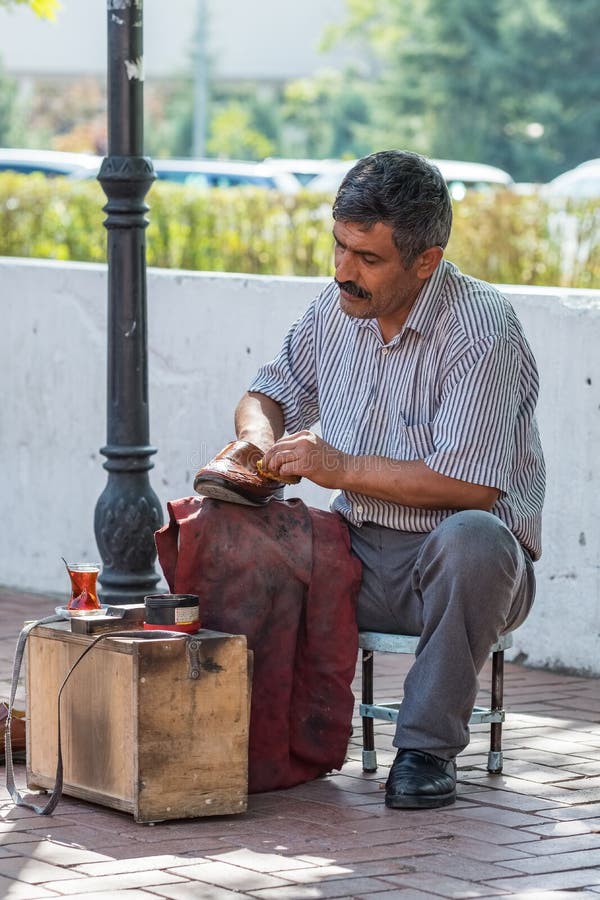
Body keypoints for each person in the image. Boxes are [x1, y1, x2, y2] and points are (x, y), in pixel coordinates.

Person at [231, 150, 545, 809]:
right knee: (232, 532)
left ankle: (426, 750)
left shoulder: (482, 328)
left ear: (425, 261)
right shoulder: (336, 306)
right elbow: (270, 391)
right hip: (356, 554)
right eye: (341, 248)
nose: (344, 271)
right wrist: (255, 444)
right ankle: (252, 738)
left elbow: (473, 487)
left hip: (462, 572)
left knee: (477, 539)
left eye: (368, 259)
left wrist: (340, 468)